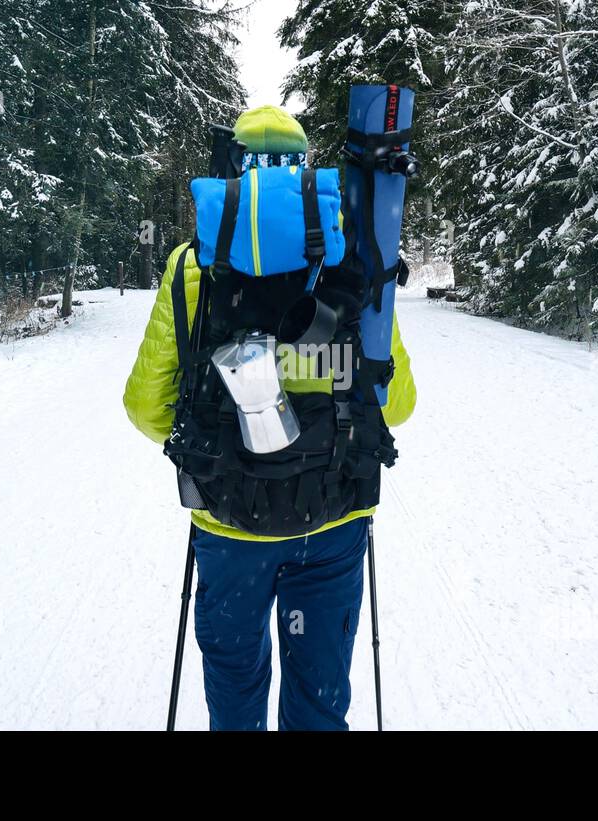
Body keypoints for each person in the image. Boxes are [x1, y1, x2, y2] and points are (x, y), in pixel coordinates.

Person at [123, 105, 416, 730]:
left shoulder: (192, 265)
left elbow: (146, 409)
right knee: (317, 692)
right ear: (305, 170)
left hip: (229, 522)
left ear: (234, 168)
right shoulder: (348, 257)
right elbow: (396, 402)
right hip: (333, 520)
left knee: (235, 680)